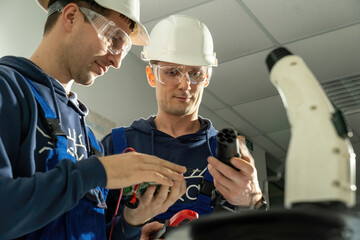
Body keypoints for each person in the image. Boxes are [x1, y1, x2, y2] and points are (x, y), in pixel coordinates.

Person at [0, 1, 187, 239]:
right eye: (114, 38)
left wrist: (130, 225)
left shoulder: (88, 140)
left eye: (125, 47)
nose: (117, 61)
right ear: (71, 17)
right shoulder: (8, 90)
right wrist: (96, 172)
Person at [102, 15, 267, 239]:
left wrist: (255, 202)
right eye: (171, 72)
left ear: (207, 78)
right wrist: (131, 227)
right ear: (152, 75)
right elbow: (83, 230)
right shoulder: (117, 146)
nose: (185, 84)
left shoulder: (227, 156)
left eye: (195, 73)